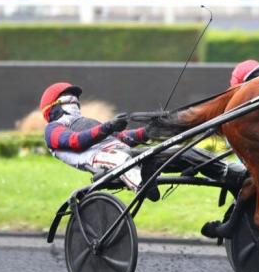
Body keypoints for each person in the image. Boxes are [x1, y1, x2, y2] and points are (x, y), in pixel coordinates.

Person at [40, 82, 246, 200]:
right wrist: (107, 126)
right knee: (119, 157)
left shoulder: (88, 122)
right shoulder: (53, 130)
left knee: (180, 151)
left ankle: (227, 173)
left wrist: (149, 131)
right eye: (68, 98)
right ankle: (142, 187)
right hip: (99, 160)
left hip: (123, 152)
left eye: (75, 98)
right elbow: (76, 142)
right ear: (54, 107)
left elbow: (124, 139)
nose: (74, 101)